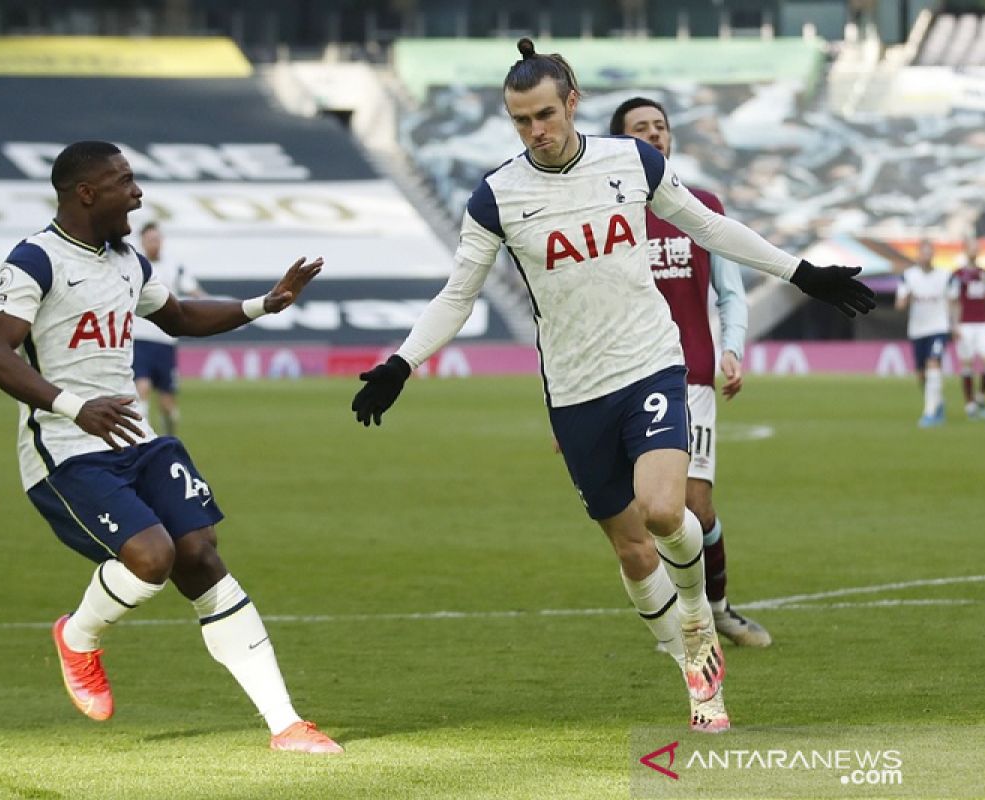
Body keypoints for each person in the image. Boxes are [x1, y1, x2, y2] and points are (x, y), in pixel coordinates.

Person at [350, 40, 874, 734]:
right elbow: (458, 295)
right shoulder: (497, 196)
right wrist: (401, 363)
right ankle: (690, 659)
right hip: (574, 390)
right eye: (520, 121)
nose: (536, 131)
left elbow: (709, 226)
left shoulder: (632, 162)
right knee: (631, 549)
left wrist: (801, 272)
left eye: (544, 114)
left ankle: (697, 625)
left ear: (572, 104)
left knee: (664, 512)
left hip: (651, 364)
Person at [0, 141, 341, 754]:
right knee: (152, 556)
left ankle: (287, 725)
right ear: (86, 192)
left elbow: (177, 318)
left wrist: (263, 304)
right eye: (125, 181)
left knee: (199, 551)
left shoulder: (125, 259)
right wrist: (75, 407)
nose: (138, 193)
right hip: (67, 450)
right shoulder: (35, 259)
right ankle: (79, 637)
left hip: (135, 439)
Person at [608, 97, 771, 648]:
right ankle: (674, 620)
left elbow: (729, 292)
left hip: (690, 376)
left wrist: (731, 349)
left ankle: (716, 609)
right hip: (623, 377)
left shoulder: (701, 206)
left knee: (693, 509)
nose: (654, 135)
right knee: (640, 514)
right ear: (621, 142)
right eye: (640, 129)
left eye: (660, 127)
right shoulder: (610, 215)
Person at [132, 221, 205, 436]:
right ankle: (143, 441)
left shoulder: (174, 267)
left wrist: (210, 306)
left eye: (157, 239)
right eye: (150, 239)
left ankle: (170, 435)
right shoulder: (135, 266)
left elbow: (193, 291)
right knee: (141, 388)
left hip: (165, 341)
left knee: (167, 403)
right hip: (140, 339)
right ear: (143, 242)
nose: (154, 243)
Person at [895, 238, 951, 428]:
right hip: (918, 330)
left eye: (929, 252)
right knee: (921, 374)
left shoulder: (945, 276)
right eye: (923, 252)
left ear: (933, 254)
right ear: (918, 255)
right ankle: (937, 402)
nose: (926, 256)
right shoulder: (908, 276)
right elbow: (899, 305)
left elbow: (953, 301)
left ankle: (929, 413)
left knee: (933, 363)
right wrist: (908, 297)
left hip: (939, 327)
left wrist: (955, 324)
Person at [950, 235, 985, 420]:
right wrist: (954, 324)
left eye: (977, 247)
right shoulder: (957, 275)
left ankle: (981, 396)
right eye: (972, 247)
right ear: (965, 249)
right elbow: (953, 302)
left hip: (983, 324)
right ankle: (969, 404)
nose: (975, 250)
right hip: (965, 325)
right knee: (967, 364)